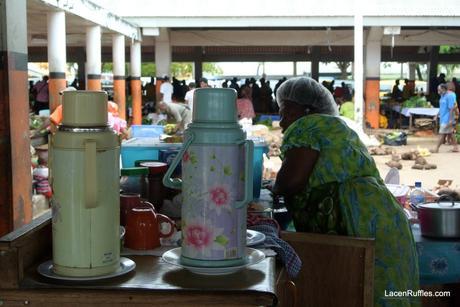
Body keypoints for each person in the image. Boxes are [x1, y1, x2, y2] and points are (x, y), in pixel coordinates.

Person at [272, 77, 419, 307]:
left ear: (306, 109)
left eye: (286, 112)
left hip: (357, 221)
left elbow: (291, 182)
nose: (282, 122)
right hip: (385, 218)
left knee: (363, 291)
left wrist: (274, 187)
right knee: (388, 290)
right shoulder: (337, 127)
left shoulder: (307, 126)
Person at [432, 83, 459, 153]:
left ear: (444, 89)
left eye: (439, 90)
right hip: (443, 117)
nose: (438, 91)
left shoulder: (450, 96)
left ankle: (436, 148)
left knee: (441, 133)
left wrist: (450, 120)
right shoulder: (442, 96)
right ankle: (456, 147)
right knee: (450, 133)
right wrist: (436, 115)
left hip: (447, 118)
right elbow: (441, 107)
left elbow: (452, 109)